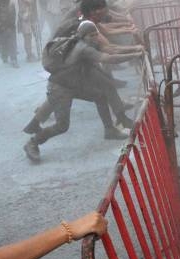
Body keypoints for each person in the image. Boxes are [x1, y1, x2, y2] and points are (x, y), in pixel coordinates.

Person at [23, 20, 142, 162]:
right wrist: (136, 54)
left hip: (73, 85)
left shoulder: (77, 42)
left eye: (95, 34)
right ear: (83, 36)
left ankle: (109, 130)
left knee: (100, 96)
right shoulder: (83, 49)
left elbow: (110, 51)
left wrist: (135, 50)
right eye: (91, 35)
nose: (95, 38)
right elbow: (109, 58)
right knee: (62, 126)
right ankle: (33, 142)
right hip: (60, 88)